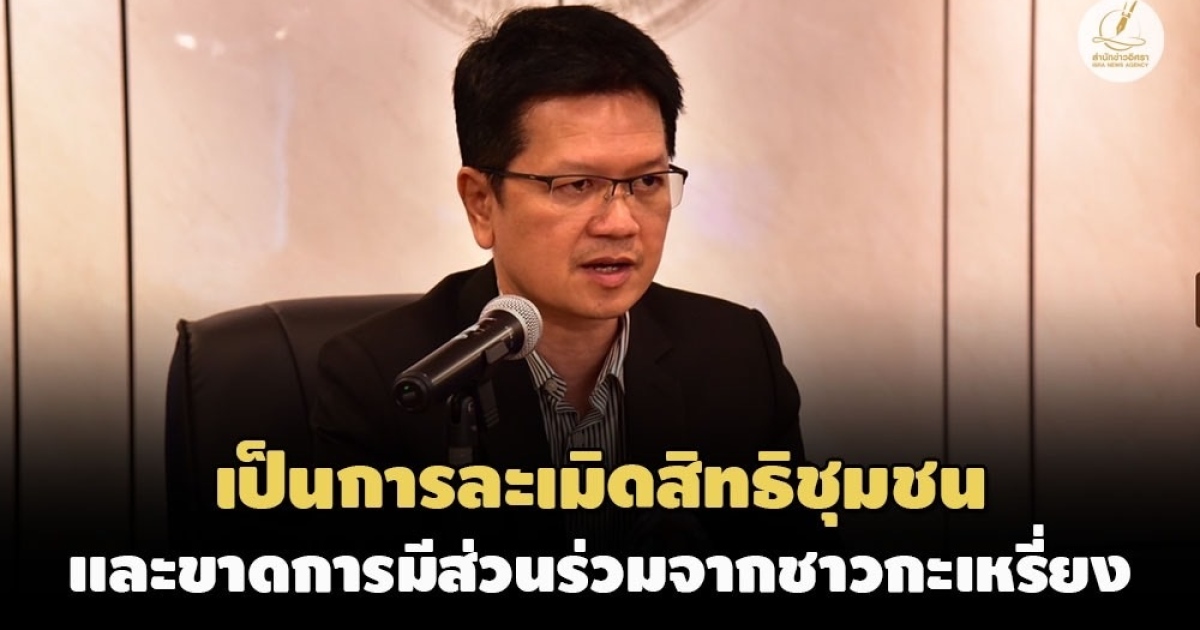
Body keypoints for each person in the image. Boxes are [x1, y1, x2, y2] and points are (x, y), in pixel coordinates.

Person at [308, 4, 835, 559]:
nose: (620, 223)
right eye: (577, 184)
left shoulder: (736, 355)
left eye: (647, 182)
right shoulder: (385, 382)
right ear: (481, 202)